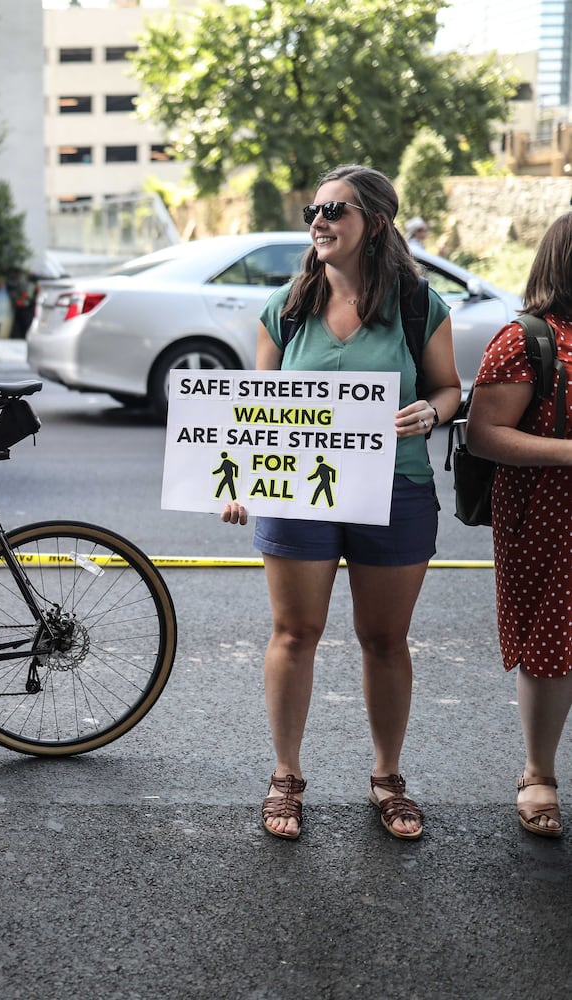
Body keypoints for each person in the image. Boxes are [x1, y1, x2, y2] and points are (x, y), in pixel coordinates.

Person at [221, 164, 461, 841]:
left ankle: (387, 778)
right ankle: (285, 778)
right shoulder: (286, 307)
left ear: (375, 223)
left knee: (383, 640)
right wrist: (236, 481)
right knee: (294, 634)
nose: (319, 220)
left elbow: (448, 389)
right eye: (313, 210)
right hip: (299, 493)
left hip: (395, 490)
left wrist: (430, 413)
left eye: (336, 210)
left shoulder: (418, 304)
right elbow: (253, 410)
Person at [465, 212, 572, 838]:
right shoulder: (526, 337)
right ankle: (539, 774)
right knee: (552, 641)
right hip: (547, 513)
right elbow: (483, 435)